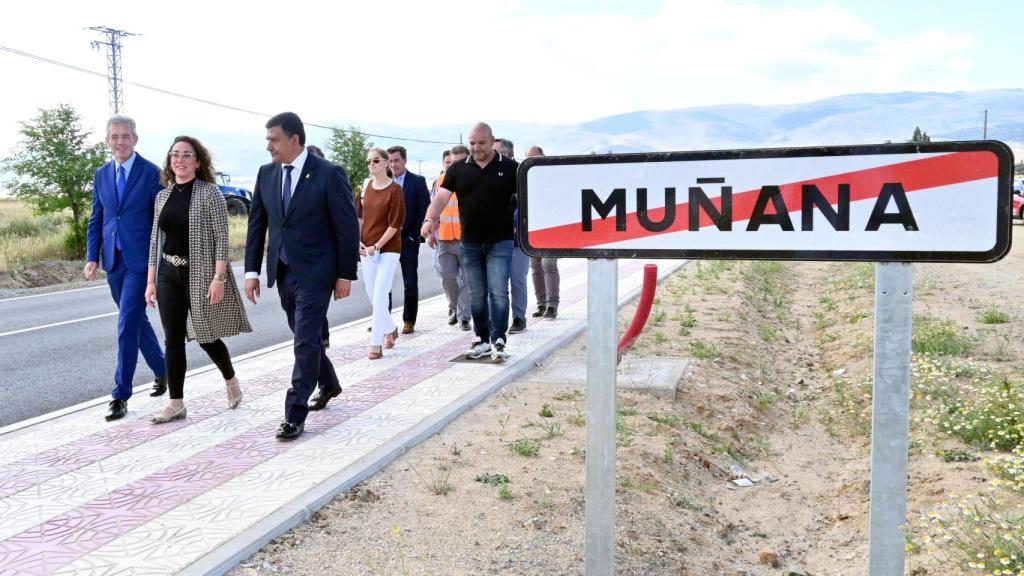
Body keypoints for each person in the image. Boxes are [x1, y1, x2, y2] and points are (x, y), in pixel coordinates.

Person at [245, 112, 360, 440]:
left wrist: (345, 274)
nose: (268, 146)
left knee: (305, 338)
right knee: (302, 333)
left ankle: (294, 413)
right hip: (283, 270)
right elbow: (258, 225)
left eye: (274, 139)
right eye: (267, 139)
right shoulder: (266, 174)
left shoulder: (328, 173)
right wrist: (251, 271)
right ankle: (329, 382)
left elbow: (346, 227)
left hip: (317, 271)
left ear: (295, 139)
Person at [144, 136, 252, 423]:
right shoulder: (163, 196)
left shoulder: (210, 193)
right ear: (170, 161)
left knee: (206, 336)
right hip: (168, 272)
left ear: (198, 161)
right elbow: (156, 240)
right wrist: (151, 281)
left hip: (201, 273)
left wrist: (219, 278)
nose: (179, 160)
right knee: (172, 339)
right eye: (175, 155)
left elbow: (222, 238)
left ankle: (230, 379)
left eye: (186, 155)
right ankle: (176, 403)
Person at [84, 115, 168, 422]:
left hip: (141, 263)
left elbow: (162, 222)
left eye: (126, 136)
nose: (120, 141)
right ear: (107, 141)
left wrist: (160, 264)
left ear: (135, 139)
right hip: (114, 262)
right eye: (114, 137)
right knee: (135, 321)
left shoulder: (151, 174)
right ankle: (163, 370)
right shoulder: (101, 175)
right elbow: (98, 218)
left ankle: (120, 394)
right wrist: (92, 256)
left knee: (126, 324)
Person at [421, 123, 517, 361]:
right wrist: (429, 219)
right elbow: (441, 197)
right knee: (476, 293)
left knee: (498, 292)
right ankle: (482, 339)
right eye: (472, 143)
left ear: (492, 141)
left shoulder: (511, 168)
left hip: (501, 241)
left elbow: (527, 198)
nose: (476, 148)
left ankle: (499, 340)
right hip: (470, 242)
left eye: (481, 143)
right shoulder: (457, 170)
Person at [357, 148, 405, 359]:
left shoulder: (395, 190)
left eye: (376, 160)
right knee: (371, 295)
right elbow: (358, 217)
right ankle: (391, 328)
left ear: (386, 163)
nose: (371, 164)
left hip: (388, 248)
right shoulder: (365, 187)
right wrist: (358, 240)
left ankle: (375, 344)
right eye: (368, 161)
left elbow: (395, 224)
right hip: (366, 249)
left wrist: (377, 245)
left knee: (380, 293)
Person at [387, 146, 430, 335]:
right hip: (386, 241)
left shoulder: (417, 182)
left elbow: (423, 209)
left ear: (404, 161)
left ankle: (409, 320)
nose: (393, 164)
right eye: (390, 160)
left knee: (409, 282)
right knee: (384, 283)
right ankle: (383, 319)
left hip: (408, 240)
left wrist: (414, 235)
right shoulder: (383, 182)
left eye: (396, 160)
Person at [427, 146, 471, 331]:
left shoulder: (473, 178)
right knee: (447, 277)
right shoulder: (440, 181)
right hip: (444, 238)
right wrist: (430, 231)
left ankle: (464, 317)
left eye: (460, 161)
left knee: (468, 280)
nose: (456, 165)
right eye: (452, 162)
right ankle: (454, 307)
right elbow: (434, 206)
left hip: (467, 239)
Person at [494, 138, 529, 334]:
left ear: (508, 154)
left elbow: (525, 204)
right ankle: (499, 320)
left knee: (517, 281)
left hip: (516, 239)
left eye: (497, 152)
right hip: (495, 240)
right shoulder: (488, 174)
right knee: (498, 284)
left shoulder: (520, 174)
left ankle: (519, 318)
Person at [525, 145, 559, 319]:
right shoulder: (525, 177)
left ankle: (552, 305)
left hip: (552, 229)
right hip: (532, 230)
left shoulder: (552, 177)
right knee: (536, 267)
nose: (532, 161)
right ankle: (541, 304)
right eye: (528, 158)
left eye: (535, 157)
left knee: (549, 265)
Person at [306, 144, 333, 349]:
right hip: (297, 259)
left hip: (322, 257)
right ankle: (315, 338)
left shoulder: (329, 182)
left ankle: (321, 336)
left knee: (315, 303)